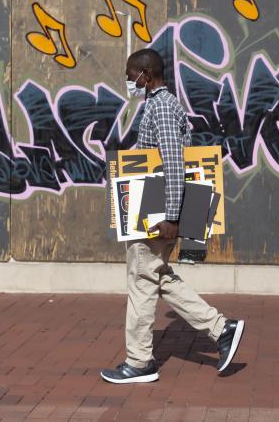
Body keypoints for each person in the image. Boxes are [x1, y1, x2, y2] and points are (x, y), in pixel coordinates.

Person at [100, 48, 245, 384]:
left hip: (155, 211)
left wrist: (171, 216)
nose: (127, 81)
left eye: (130, 74)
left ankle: (139, 362)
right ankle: (222, 329)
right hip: (149, 206)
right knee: (156, 275)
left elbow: (174, 161)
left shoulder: (162, 107)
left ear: (145, 76)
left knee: (141, 280)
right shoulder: (157, 104)